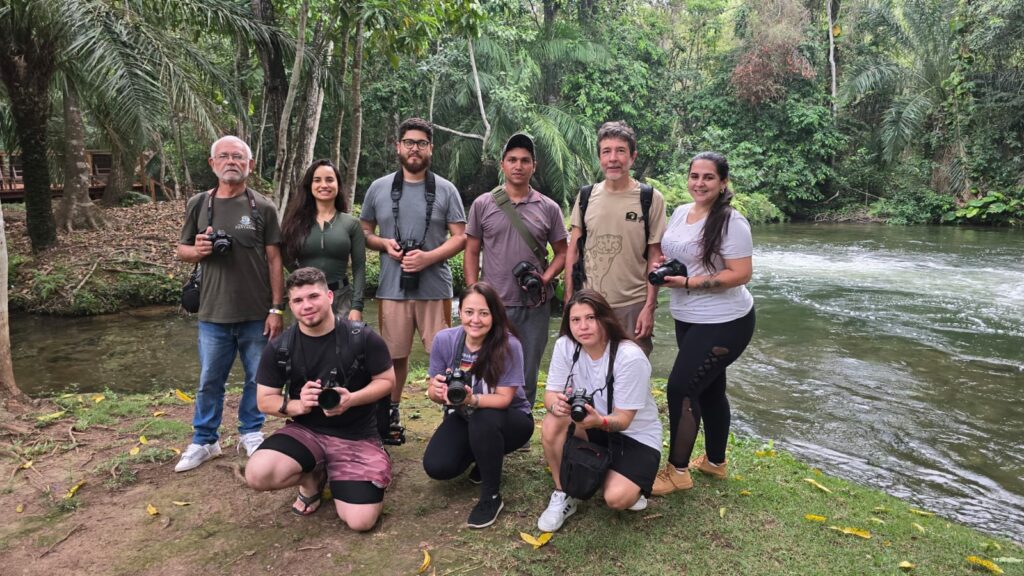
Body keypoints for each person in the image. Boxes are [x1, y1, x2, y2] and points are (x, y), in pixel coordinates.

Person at [245, 267, 396, 531]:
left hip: (357, 436)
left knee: (361, 522)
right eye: (298, 300)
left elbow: (387, 382)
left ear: (329, 296)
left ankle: (350, 471)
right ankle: (313, 477)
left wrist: (352, 399)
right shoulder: (280, 347)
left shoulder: (362, 337)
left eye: (313, 296)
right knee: (257, 473)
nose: (307, 306)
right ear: (290, 306)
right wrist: (298, 405)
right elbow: (264, 400)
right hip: (306, 431)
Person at [174, 135, 284, 472]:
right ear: (212, 164)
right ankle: (205, 439)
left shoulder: (262, 207)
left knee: (257, 377)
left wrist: (276, 309)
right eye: (223, 156)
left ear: (250, 165)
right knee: (209, 379)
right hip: (213, 311)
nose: (231, 162)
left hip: (255, 311)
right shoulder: (199, 204)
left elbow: (274, 260)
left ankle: (251, 432)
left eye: (238, 157)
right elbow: (182, 250)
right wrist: (200, 251)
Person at [650, 151, 756, 496]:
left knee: (681, 388)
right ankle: (715, 462)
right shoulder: (682, 212)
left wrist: (688, 283)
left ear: (723, 182)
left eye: (708, 177)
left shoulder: (731, 221)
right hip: (689, 317)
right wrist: (669, 266)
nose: (700, 183)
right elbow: (682, 255)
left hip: (725, 320)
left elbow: (741, 274)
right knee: (709, 388)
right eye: (695, 176)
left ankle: (677, 471)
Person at [360, 117, 467, 433]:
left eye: (421, 143)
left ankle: (452, 407)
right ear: (398, 146)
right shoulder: (379, 188)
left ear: (430, 148)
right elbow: (364, 230)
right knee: (393, 355)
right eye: (409, 142)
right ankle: (391, 410)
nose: (415, 148)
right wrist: (384, 245)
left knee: (444, 353)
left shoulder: (446, 189)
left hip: (435, 288)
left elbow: (461, 236)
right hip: (392, 288)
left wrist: (427, 258)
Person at [536, 289, 662, 532]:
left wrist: (599, 422)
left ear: (605, 318)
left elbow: (624, 420)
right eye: (575, 320)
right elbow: (550, 394)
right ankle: (564, 491)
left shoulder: (629, 357)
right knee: (553, 420)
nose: (583, 326)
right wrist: (556, 404)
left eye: (591, 318)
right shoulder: (565, 346)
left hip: (634, 435)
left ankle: (620, 480)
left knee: (616, 498)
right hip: (590, 424)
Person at [465, 133, 567, 408]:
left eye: (525, 160)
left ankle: (521, 418)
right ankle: (486, 412)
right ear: (502, 165)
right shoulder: (483, 204)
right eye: (512, 160)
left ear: (534, 166)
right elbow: (472, 251)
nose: (518, 166)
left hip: (533, 304)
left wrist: (545, 278)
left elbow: (562, 252)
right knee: (488, 361)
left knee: (528, 364)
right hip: (492, 303)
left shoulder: (549, 208)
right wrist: (473, 293)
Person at [421, 283, 534, 529]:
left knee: (484, 418)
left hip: (511, 419)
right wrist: (437, 392)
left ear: (495, 315)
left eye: (484, 313)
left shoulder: (509, 345)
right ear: (459, 312)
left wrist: (473, 399)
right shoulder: (445, 340)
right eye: (469, 312)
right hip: (464, 415)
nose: (476, 320)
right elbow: (432, 390)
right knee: (437, 466)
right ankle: (485, 457)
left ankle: (491, 496)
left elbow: (504, 398)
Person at [564, 121, 667, 356]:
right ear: (599, 156)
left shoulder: (650, 198)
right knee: (588, 373)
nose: (613, 158)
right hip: (590, 304)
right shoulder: (586, 196)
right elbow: (574, 251)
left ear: (633, 157)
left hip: (633, 304)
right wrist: (570, 300)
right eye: (606, 151)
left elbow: (655, 255)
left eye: (620, 151)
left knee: (631, 374)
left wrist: (649, 307)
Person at [280, 159, 366, 320]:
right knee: (306, 344)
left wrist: (357, 306)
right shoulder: (295, 222)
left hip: (342, 300)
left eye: (329, 180)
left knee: (344, 344)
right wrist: (304, 277)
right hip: (306, 299)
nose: (324, 185)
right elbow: (284, 256)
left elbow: (359, 268)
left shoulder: (351, 224)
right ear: (310, 186)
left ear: (338, 185)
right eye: (317, 180)